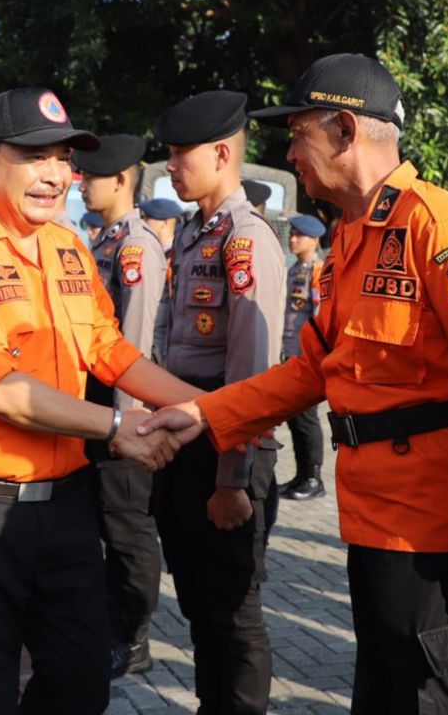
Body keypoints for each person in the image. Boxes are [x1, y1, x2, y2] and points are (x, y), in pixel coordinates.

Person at [145, 53, 448, 714]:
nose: (291, 152)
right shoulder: (355, 236)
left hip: (437, 537)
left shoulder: (442, 230)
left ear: (346, 131)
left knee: (430, 698)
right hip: (375, 522)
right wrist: (206, 416)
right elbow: (313, 369)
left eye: (299, 133)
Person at [0, 87, 196, 715]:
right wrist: (116, 426)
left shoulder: (68, 247)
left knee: (80, 682)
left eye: (64, 157)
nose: (56, 174)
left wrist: (208, 408)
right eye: (34, 156)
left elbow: (109, 350)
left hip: (64, 507)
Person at [152, 89, 286, 714]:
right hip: (188, 438)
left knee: (234, 611)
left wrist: (233, 478)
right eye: (170, 154)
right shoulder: (192, 233)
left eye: (182, 154)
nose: (171, 166)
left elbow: (251, 372)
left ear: (224, 153)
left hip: (227, 447)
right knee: (201, 602)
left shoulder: (245, 237)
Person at [74, 134, 168, 677]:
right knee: (108, 527)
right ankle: (113, 623)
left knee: (129, 532)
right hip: (97, 412)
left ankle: (134, 640)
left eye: (90, 177)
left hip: (124, 416)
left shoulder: (135, 247)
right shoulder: (104, 241)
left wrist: (127, 425)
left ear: (120, 180)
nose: (80, 184)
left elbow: (129, 348)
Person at [278, 213, 327, 501]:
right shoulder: (295, 269)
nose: (293, 239)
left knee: (307, 418)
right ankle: (301, 475)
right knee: (295, 418)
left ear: (315, 240)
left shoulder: (318, 272)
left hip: (306, 357)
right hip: (291, 355)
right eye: (292, 234)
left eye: (299, 235)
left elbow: (320, 321)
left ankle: (314, 477)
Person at [139, 198, 184, 359]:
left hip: (166, 345)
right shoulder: (153, 251)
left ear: (164, 223)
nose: (142, 222)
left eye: (147, 218)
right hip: (153, 338)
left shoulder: (178, 255)